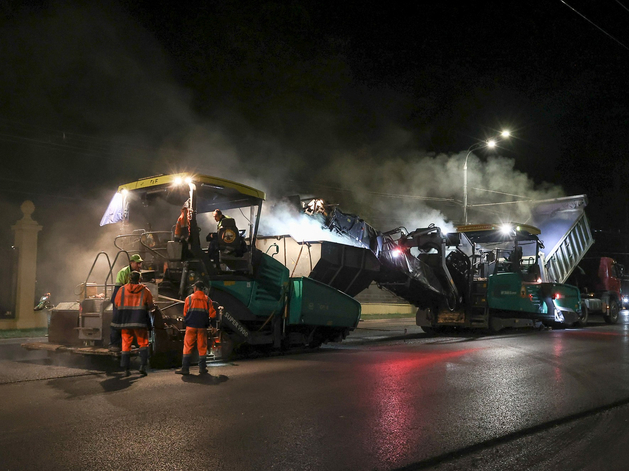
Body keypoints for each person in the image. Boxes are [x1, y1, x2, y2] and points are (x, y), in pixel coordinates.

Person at [112, 271, 154, 376]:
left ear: (129, 279)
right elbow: (150, 306)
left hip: (125, 321)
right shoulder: (145, 291)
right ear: (140, 279)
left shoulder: (121, 290)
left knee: (126, 344)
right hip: (140, 321)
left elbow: (116, 304)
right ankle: (143, 366)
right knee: (143, 343)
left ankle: (126, 369)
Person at [176, 281, 216, 375]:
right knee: (202, 347)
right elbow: (213, 314)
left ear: (195, 288)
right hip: (202, 327)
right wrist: (213, 326)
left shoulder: (189, 298)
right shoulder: (208, 300)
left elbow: (185, 313)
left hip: (191, 327)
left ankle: (185, 368)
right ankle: (202, 368)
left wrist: (188, 321)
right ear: (203, 289)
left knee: (188, 346)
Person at [109, 254, 143, 351]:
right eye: (137, 263)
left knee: (129, 323)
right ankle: (114, 344)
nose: (139, 266)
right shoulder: (123, 272)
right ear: (131, 263)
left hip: (129, 300)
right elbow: (120, 290)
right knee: (117, 322)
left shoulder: (138, 273)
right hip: (119, 298)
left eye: (140, 263)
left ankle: (127, 343)